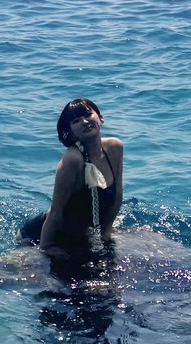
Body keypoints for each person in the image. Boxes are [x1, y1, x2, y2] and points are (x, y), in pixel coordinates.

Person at [20, 98, 124, 257]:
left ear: (101, 118)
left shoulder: (115, 147)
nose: (84, 121)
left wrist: (106, 232)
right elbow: (56, 211)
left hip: (79, 232)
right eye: (76, 121)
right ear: (71, 131)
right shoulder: (73, 159)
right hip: (40, 234)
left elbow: (117, 195)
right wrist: (46, 248)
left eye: (88, 114)